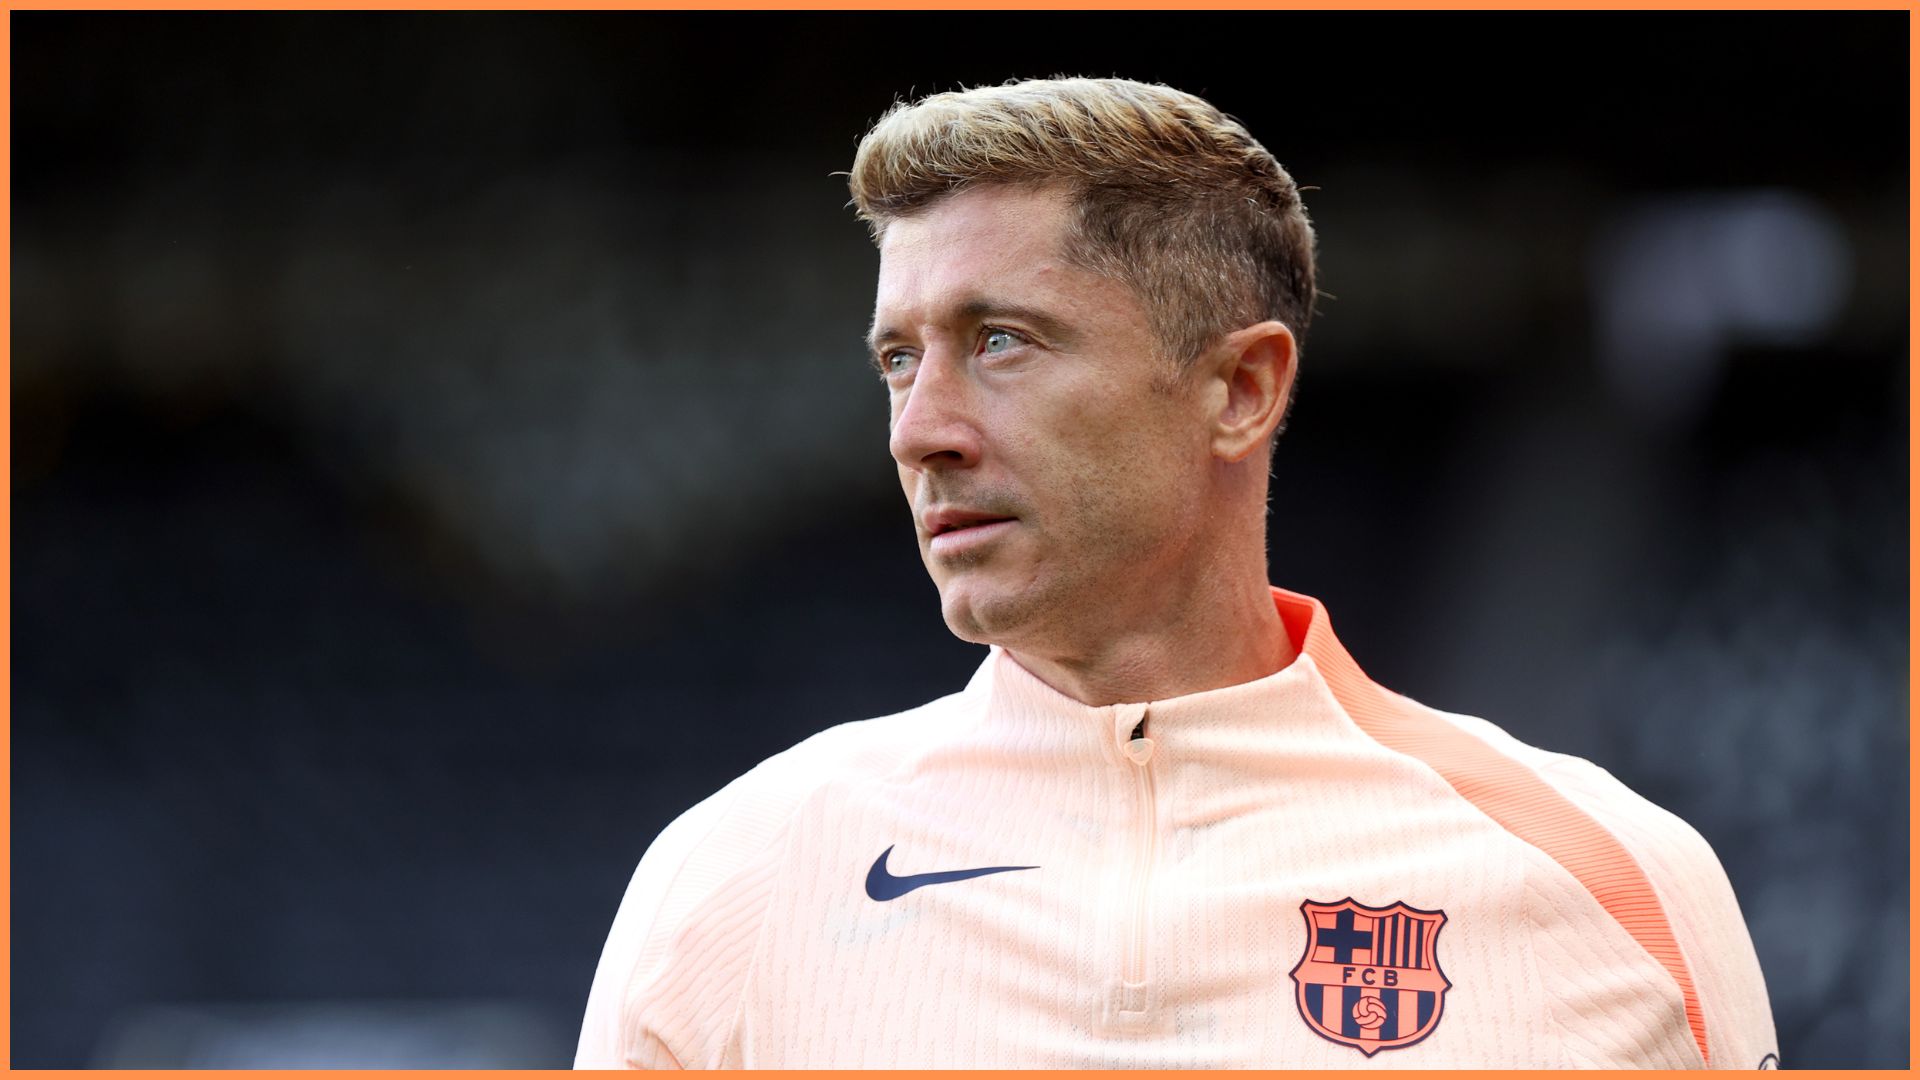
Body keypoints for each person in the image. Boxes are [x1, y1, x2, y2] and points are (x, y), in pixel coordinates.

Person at [574, 77, 1777, 1069]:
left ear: (1240, 390)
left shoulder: (1610, 883)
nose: (917, 428)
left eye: (1001, 341)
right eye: (900, 359)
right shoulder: (735, 879)